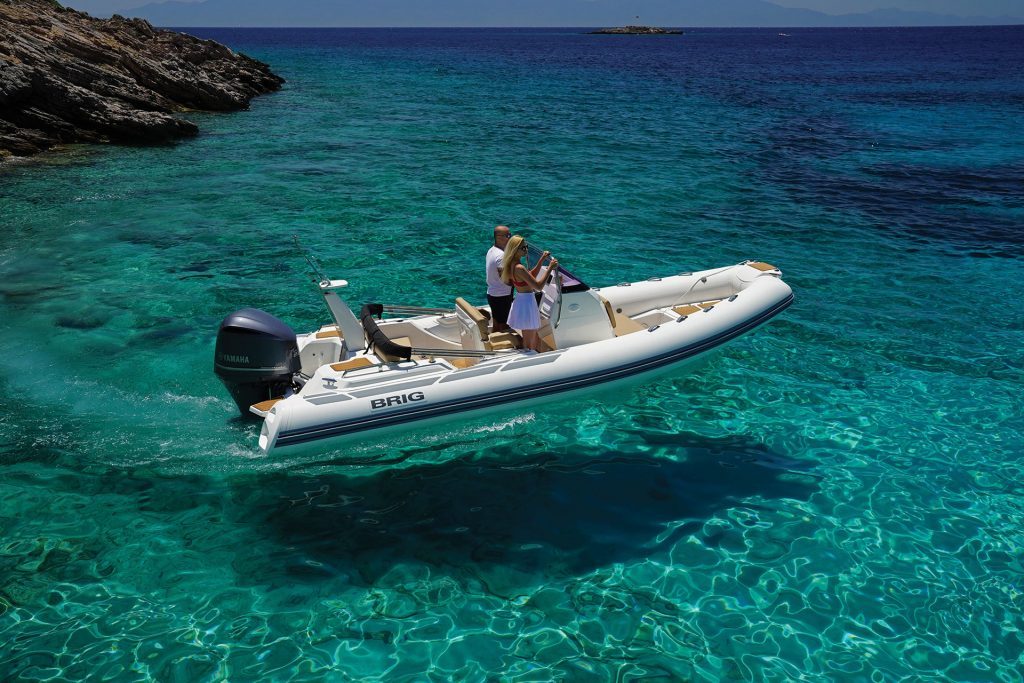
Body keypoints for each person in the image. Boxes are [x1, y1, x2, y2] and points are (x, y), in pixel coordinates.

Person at [501, 235, 558, 353]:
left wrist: (541, 259)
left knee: (528, 334)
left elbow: (530, 276)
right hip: (527, 302)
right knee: (531, 337)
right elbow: (538, 286)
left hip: (521, 300)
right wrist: (550, 268)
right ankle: (530, 355)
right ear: (515, 250)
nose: (526, 250)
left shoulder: (512, 265)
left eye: (526, 247)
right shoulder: (519, 268)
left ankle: (528, 352)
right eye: (523, 248)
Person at [485, 225, 513, 333]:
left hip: (492, 293)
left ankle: (493, 340)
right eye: (508, 235)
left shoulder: (491, 250)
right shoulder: (501, 256)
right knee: (504, 326)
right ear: (499, 237)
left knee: (496, 324)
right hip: (502, 296)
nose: (510, 238)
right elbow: (506, 280)